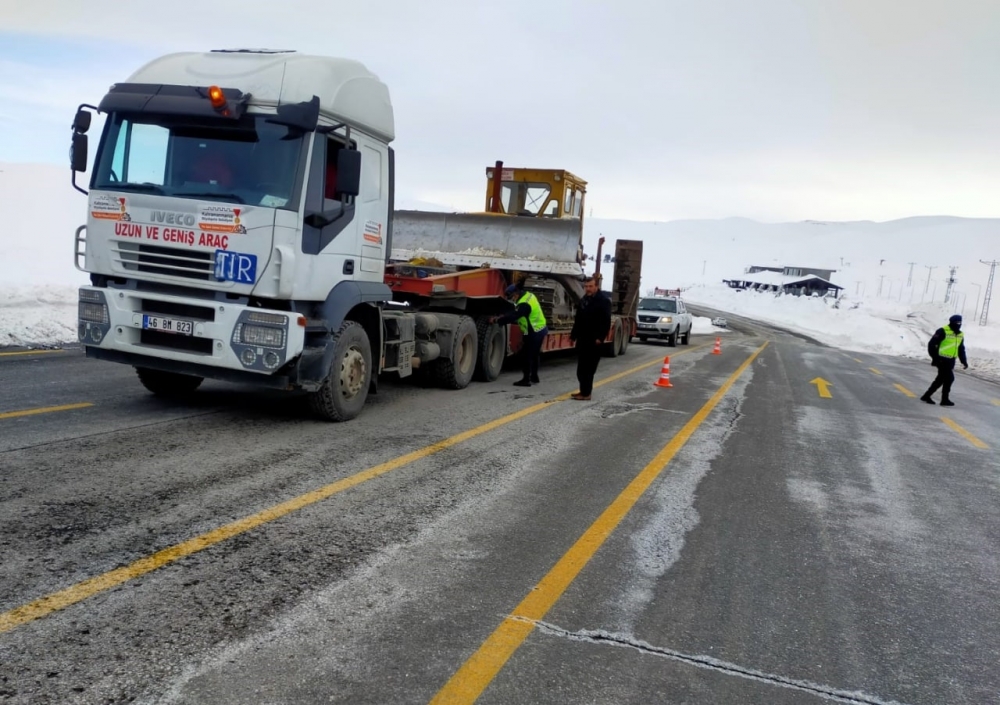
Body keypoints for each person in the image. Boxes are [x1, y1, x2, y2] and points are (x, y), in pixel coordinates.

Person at [491, 282, 548, 387]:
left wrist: (497, 320)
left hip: (533, 331)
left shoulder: (524, 305)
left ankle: (526, 380)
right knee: (535, 355)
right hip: (540, 328)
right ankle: (534, 377)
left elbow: (514, 316)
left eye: (512, 297)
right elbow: (515, 310)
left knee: (526, 355)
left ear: (516, 293)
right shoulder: (528, 296)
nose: (512, 299)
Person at [570, 275, 612, 400]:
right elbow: (578, 320)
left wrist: (600, 337)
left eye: (590, 286)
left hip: (594, 340)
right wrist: (573, 335)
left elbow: (606, 321)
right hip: (583, 338)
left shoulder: (603, 301)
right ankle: (583, 391)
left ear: (596, 287)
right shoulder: (584, 300)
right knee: (581, 369)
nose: (588, 289)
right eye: (586, 286)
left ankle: (586, 393)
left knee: (589, 369)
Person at [920, 314, 968, 407]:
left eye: (960, 323)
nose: (958, 324)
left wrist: (964, 361)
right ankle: (944, 399)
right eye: (956, 323)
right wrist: (935, 358)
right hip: (942, 360)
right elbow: (931, 344)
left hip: (951, 360)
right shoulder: (942, 330)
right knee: (949, 378)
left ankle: (927, 396)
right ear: (951, 322)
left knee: (941, 379)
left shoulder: (960, 334)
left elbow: (961, 349)